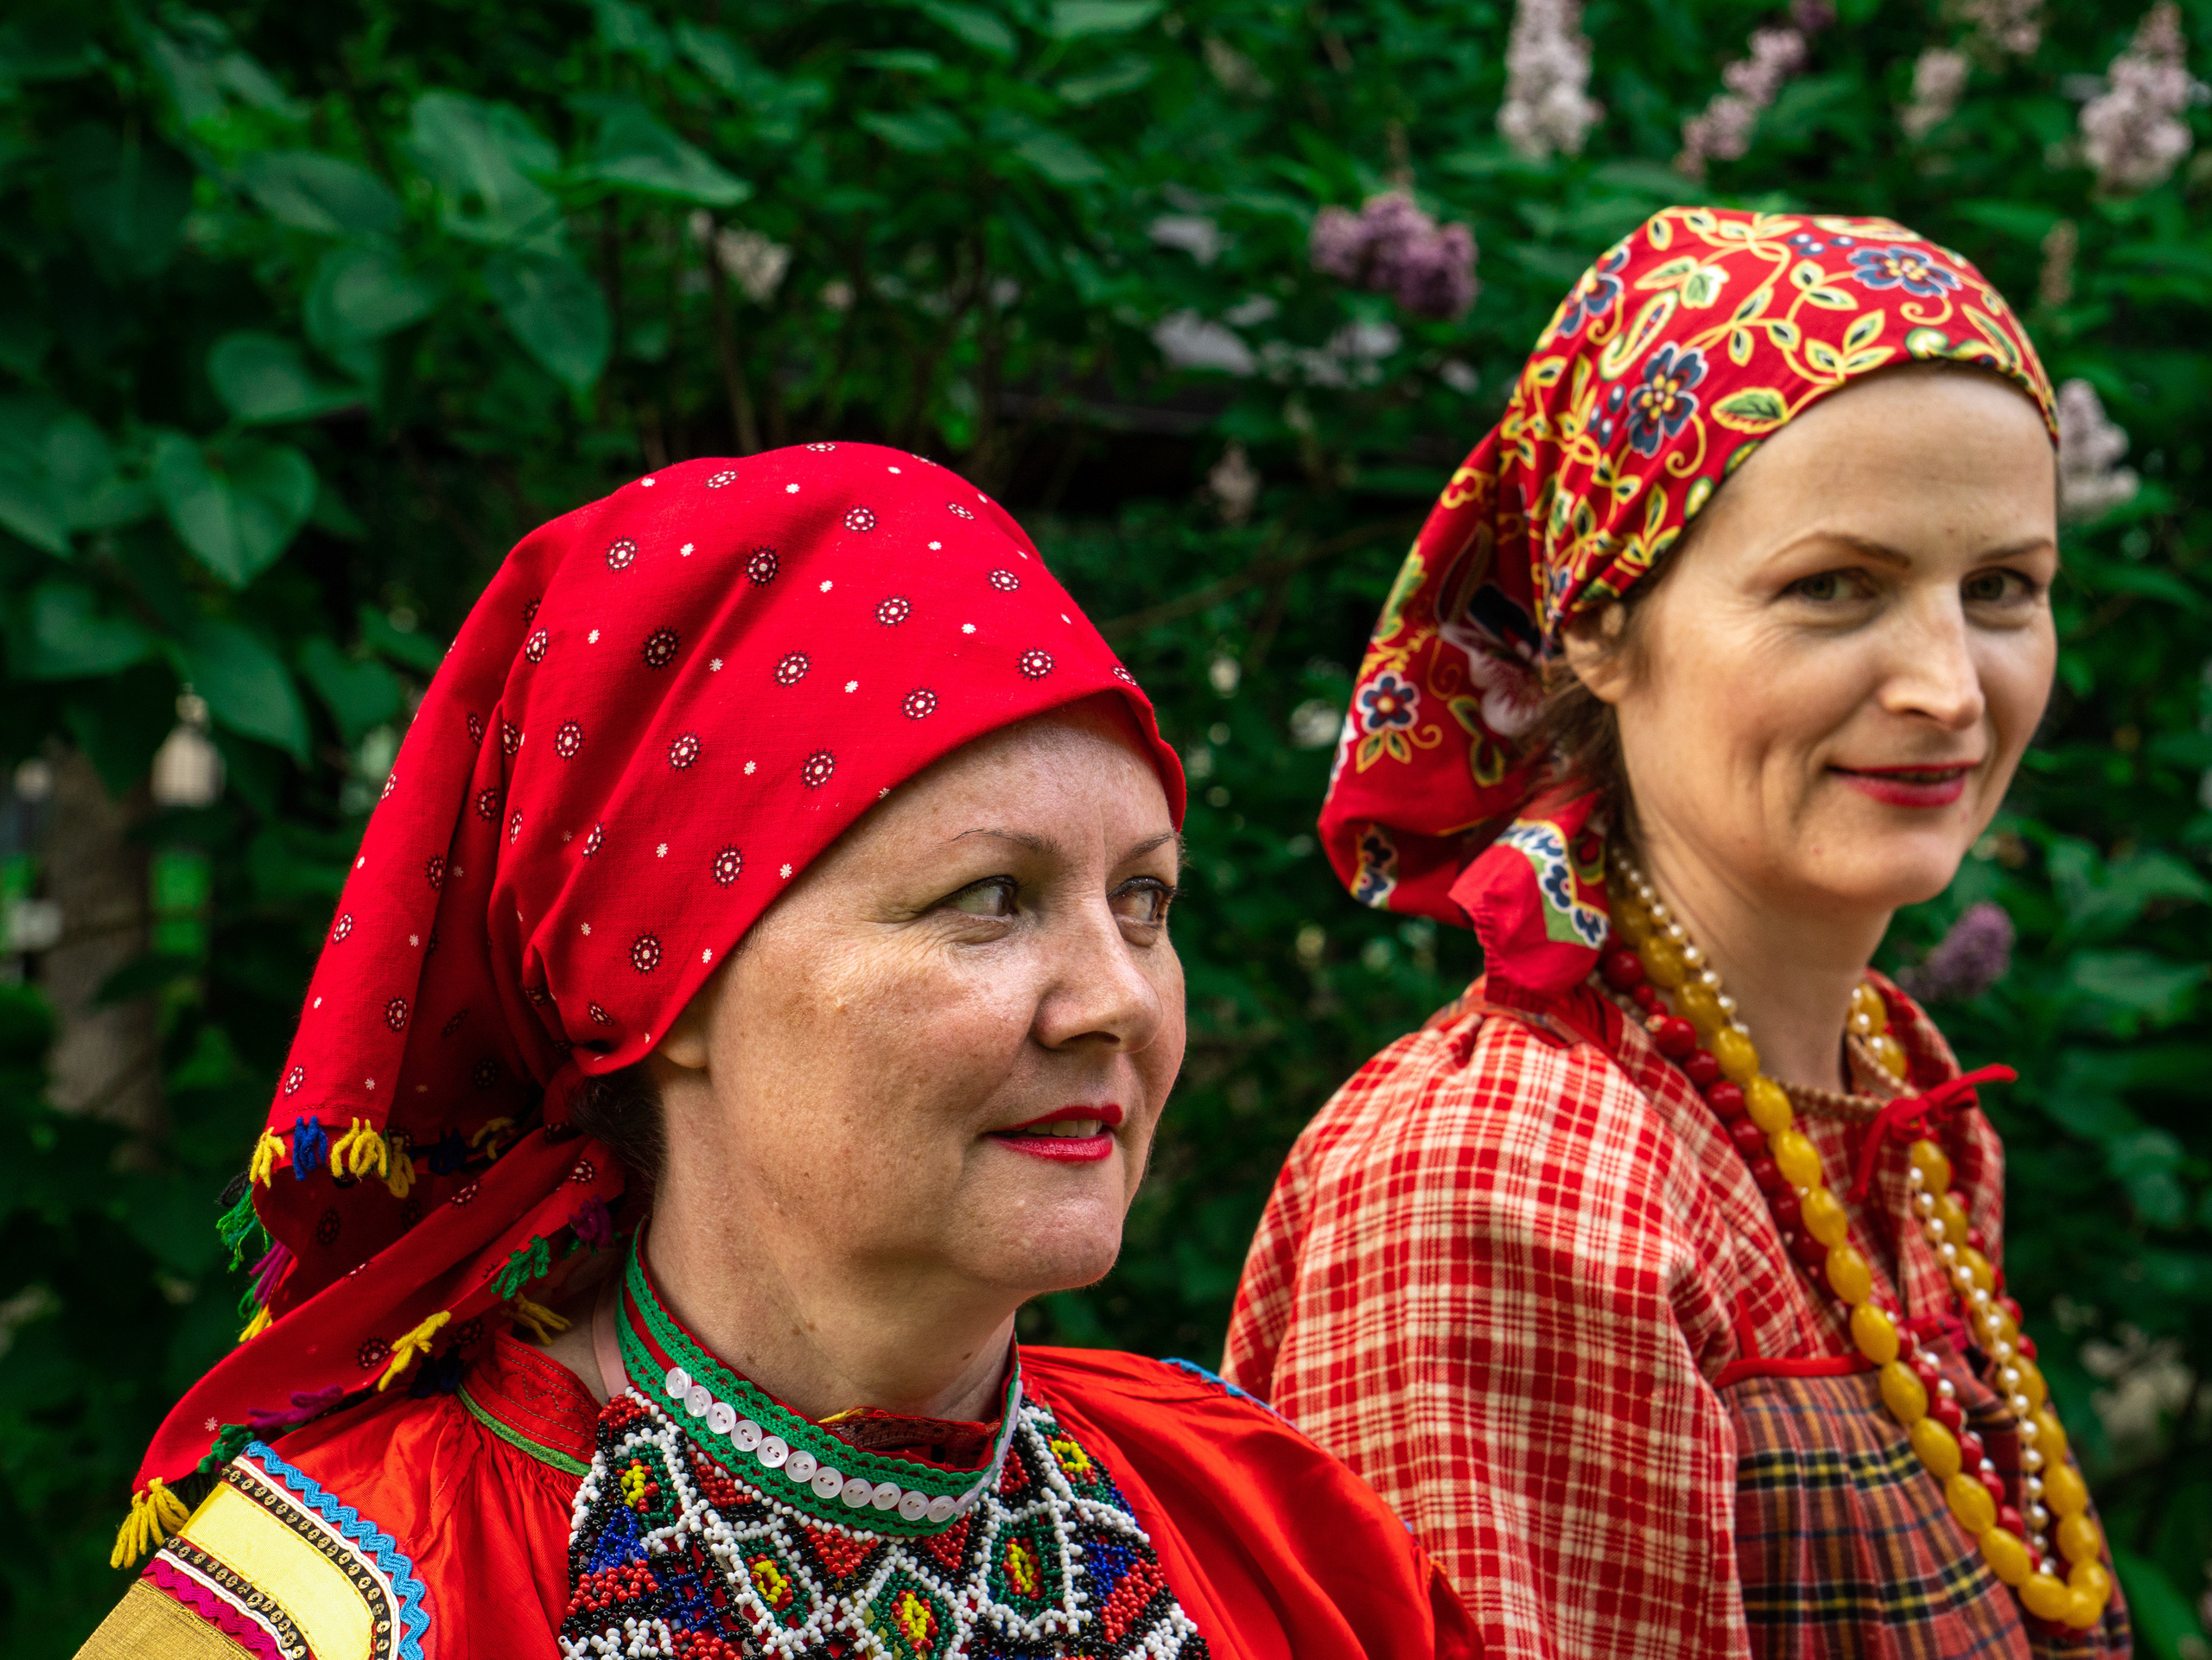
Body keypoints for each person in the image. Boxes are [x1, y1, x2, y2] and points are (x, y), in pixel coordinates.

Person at [80, 446, 1478, 1660]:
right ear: (662, 984)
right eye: (988, 898)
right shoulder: (352, 1605)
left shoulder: (1279, 1542)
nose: (1114, 997)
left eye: (1144, 900)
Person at [1224, 207, 2132, 1657]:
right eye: (1837, 586)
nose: (1951, 687)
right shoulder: (1505, 1181)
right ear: (1598, 621)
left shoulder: (1893, 1090)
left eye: (2003, 589)